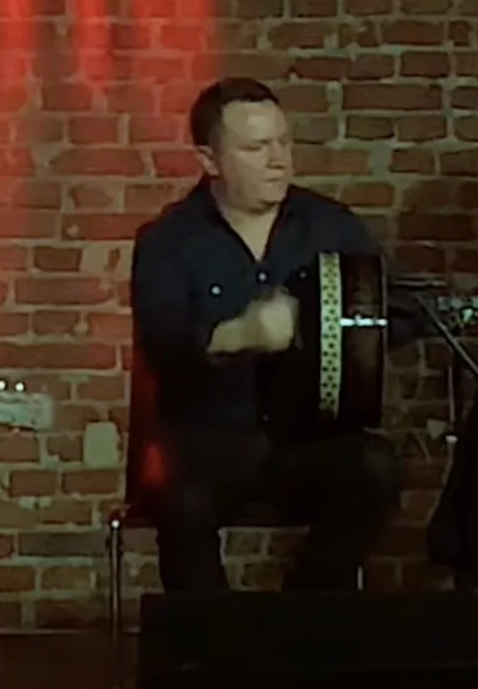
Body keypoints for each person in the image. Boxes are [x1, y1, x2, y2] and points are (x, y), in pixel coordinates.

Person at [129, 76, 405, 592]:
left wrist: (356, 326)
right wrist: (237, 334)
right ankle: (210, 636)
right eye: (256, 148)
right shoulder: (169, 240)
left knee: (376, 467)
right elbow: (162, 345)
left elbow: (391, 313)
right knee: (180, 498)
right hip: (207, 444)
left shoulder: (331, 228)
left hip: (308, 441)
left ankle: (304, 609)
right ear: (211, 160)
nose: (278, 160)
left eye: (283, 143)